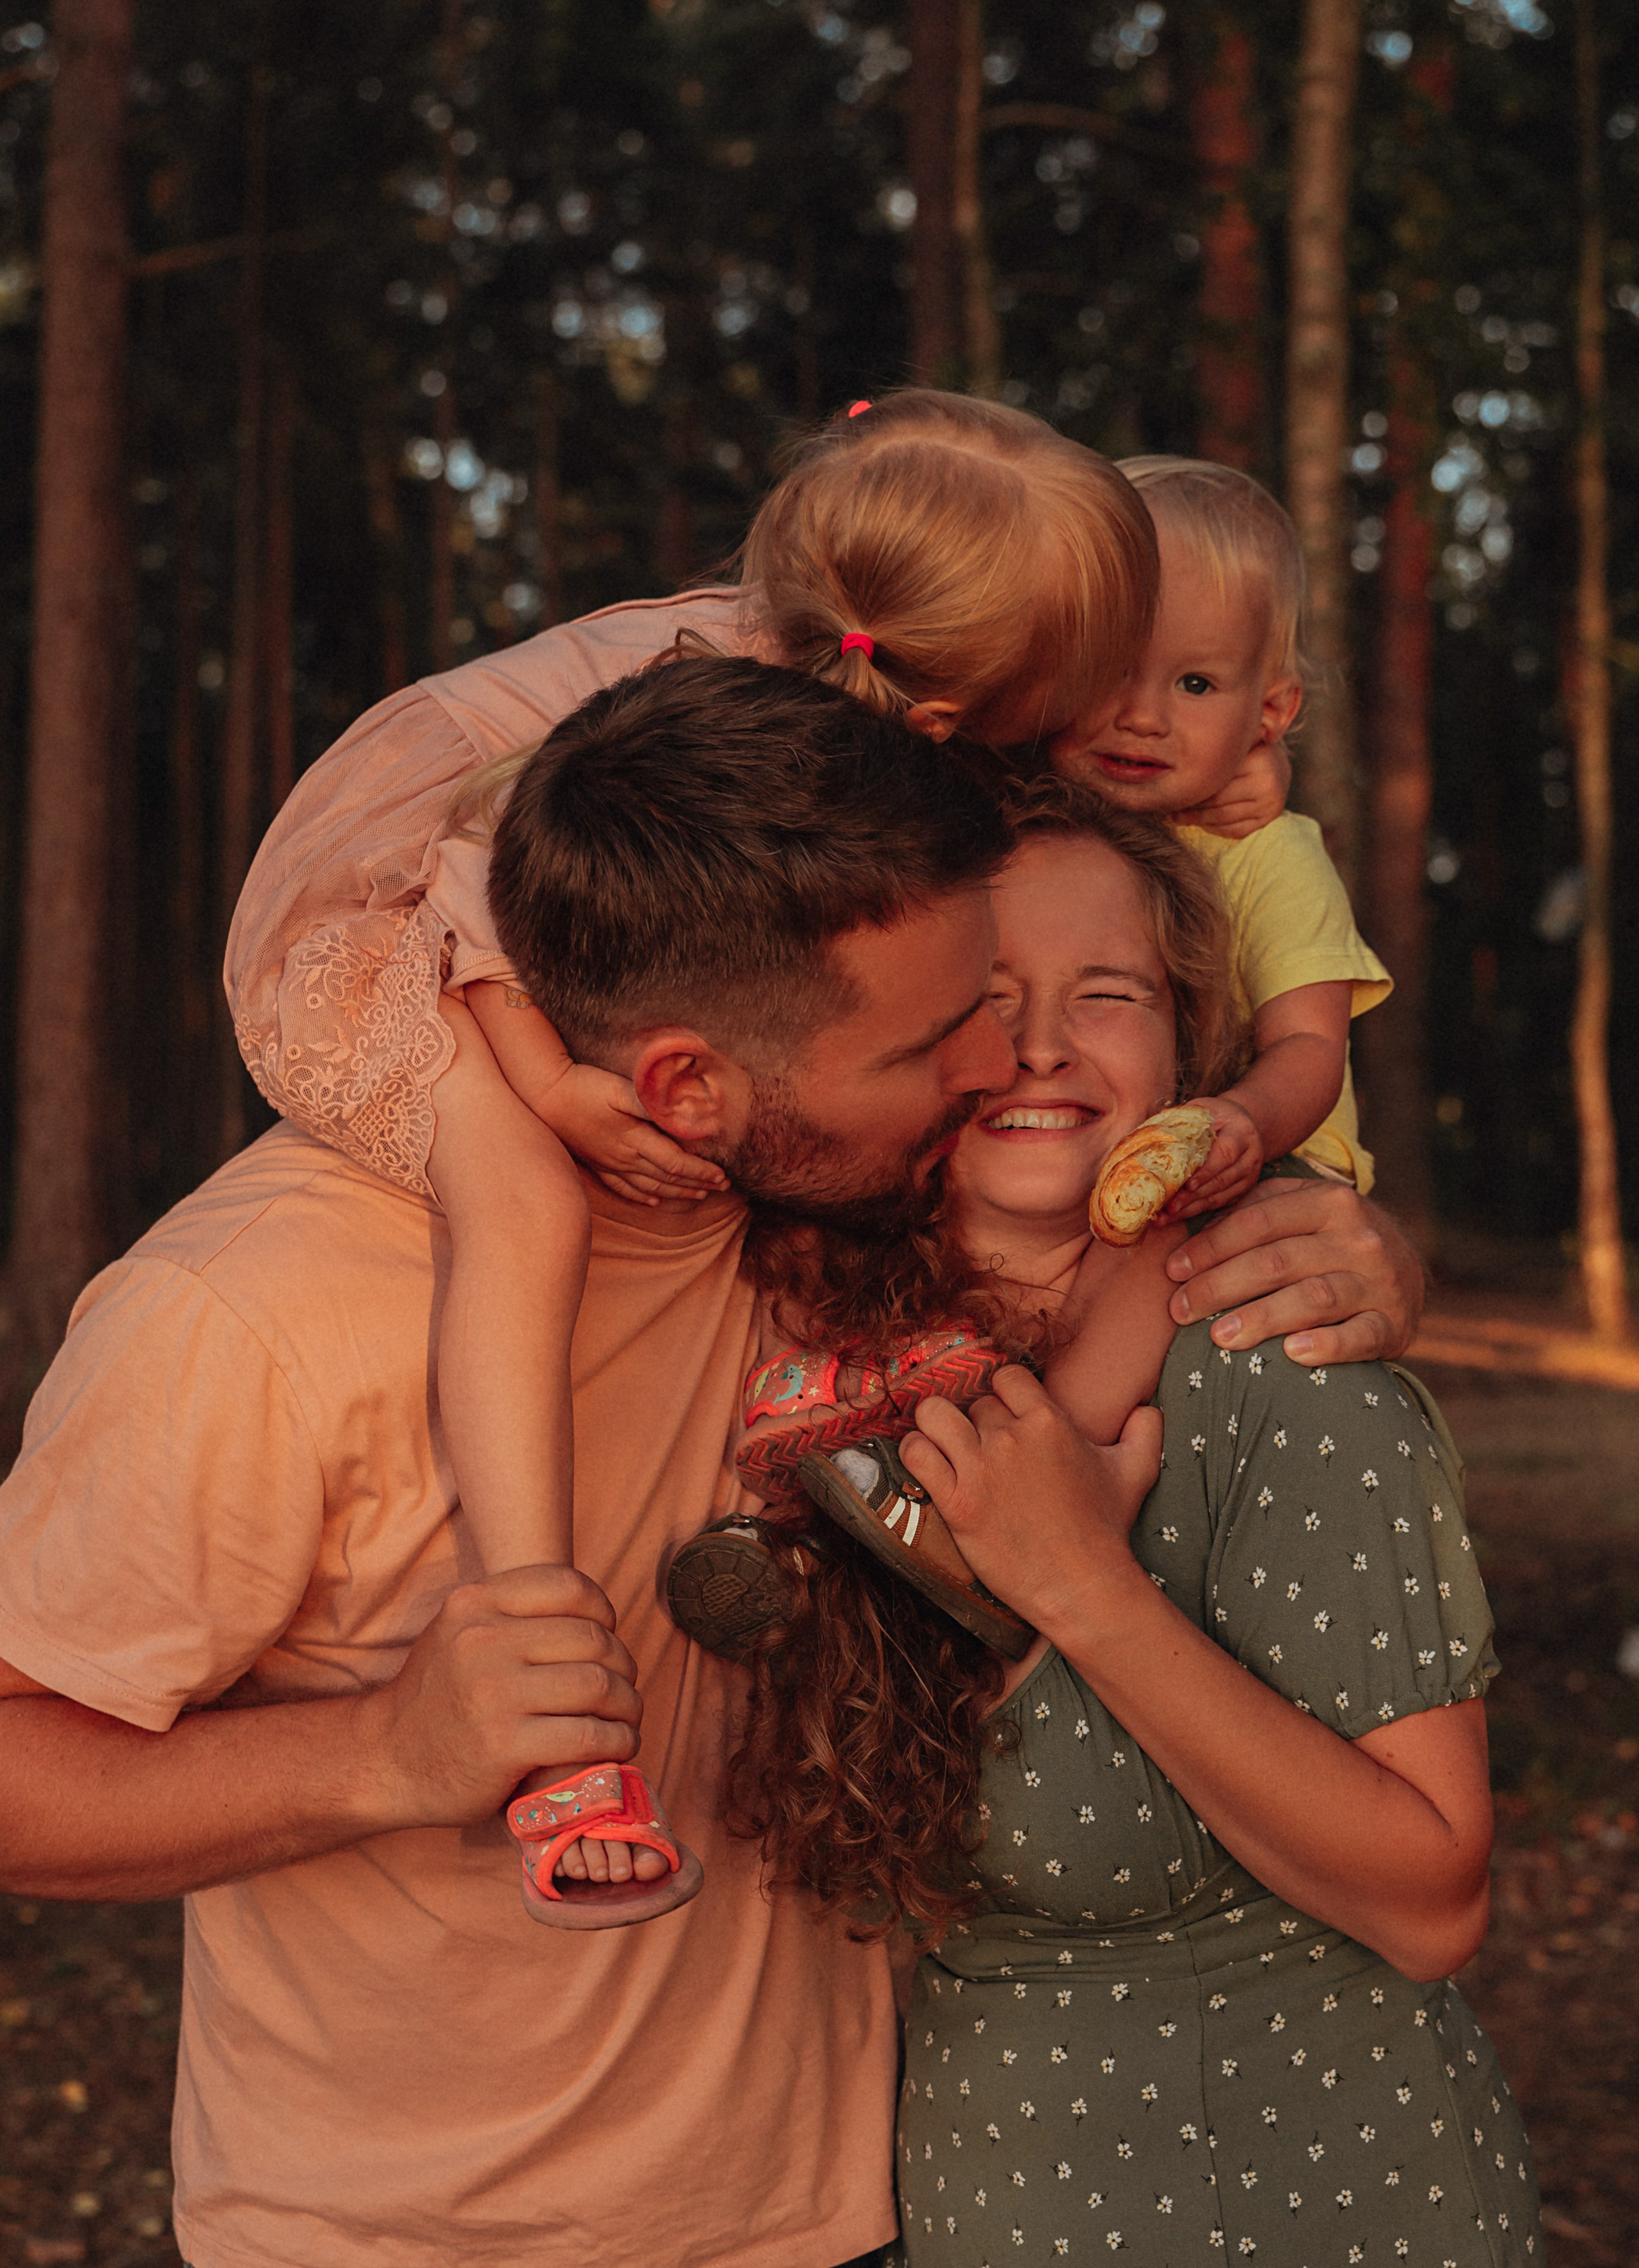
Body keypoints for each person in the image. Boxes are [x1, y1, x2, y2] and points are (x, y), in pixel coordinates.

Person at [222, 401, 1411, 1900]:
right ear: (953, 700)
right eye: (1080, 692)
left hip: (532, 919)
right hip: (381, 919)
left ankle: (952, 1462)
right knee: (518, 1194)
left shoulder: (878, 653)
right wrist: (535, 1062)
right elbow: (470, 857)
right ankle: (537, 1672)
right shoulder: (713, 720)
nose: (1103, 727)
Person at [721, 777, 1547, 2268]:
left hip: (1308, 2253)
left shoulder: (1281, 1359)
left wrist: (1081, 1587)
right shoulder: (806, 1350)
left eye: (1104, 995)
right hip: (984, 2248)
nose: (1035, 1048)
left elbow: (1430, 1892)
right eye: (980, 1000)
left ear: (1191, 1053)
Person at [1066, 453, 1392, 1204]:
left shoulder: (1266, 852)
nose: (1142, 716)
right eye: (1110, 666)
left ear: (1270, 714)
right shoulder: (1024, 815)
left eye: (1195, 684)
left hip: (1268, 1168)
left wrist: (1245, 1123)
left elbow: (1309, 1043)